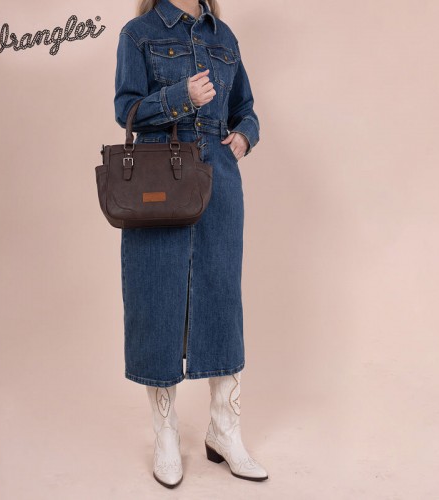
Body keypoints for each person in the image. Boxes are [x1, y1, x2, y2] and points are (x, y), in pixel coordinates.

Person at [114, 0, 268, 487]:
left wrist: (244, 136)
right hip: (159, 179)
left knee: (221, 296)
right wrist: (179, 97)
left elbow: (245, 109)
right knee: (157, 297)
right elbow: (126, 110)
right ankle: (165, 434)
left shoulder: (224, 36)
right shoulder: (138, 33)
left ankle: (225, 429)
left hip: (218, 180)